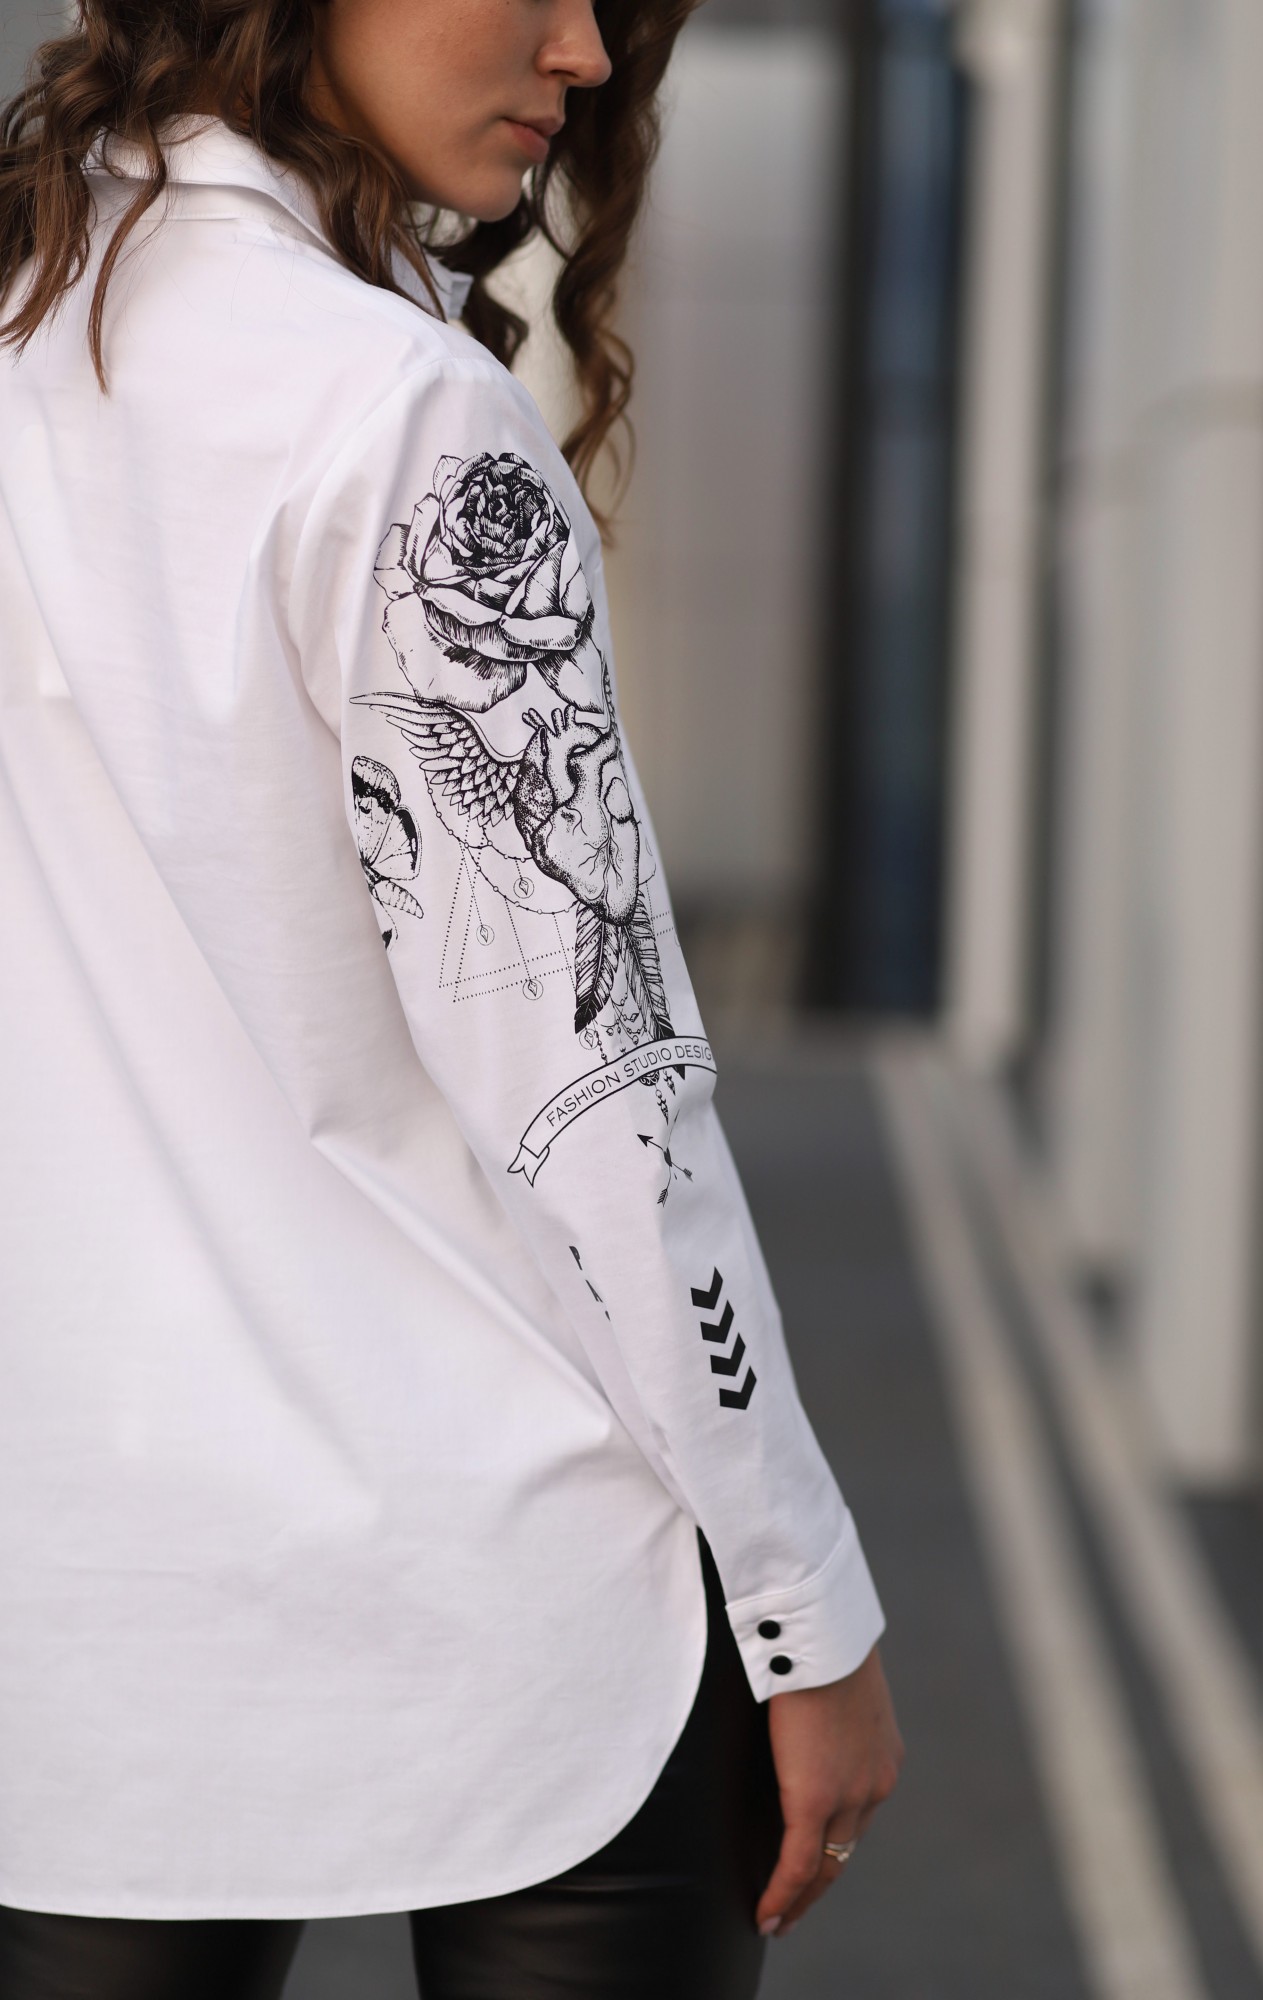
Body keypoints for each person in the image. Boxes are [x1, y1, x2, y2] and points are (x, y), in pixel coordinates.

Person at [0, 1, 904, 1995]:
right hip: (528, 1583)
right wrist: (801, 1598)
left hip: (83, 1585)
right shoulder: (395, 406)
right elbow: (601, 1105)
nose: (583, 50)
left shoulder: (30, 340)